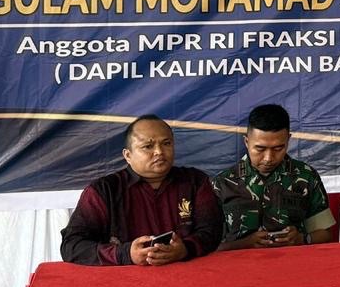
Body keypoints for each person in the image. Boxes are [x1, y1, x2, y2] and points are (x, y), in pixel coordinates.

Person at [60, 114, 222, 266]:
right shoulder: (104, 190)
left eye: (166, 143)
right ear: (128, 155)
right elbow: (72, 246)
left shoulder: (195, 181)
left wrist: (185, 248)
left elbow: (212, 231)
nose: (159, 152)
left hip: (186, 275)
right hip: (123, 280)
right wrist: (125, 254)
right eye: (148, 146)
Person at [210, 103, 336, 249]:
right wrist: (244, 244)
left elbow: (326, 233)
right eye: (260, 149)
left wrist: (302, 239)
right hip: (240, 262)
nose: (268, 158)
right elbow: (209, 246)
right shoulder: (223, 183)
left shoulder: (306, 176)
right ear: (246, 142)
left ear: (288, 140)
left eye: (278, 148)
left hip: (294, 260)